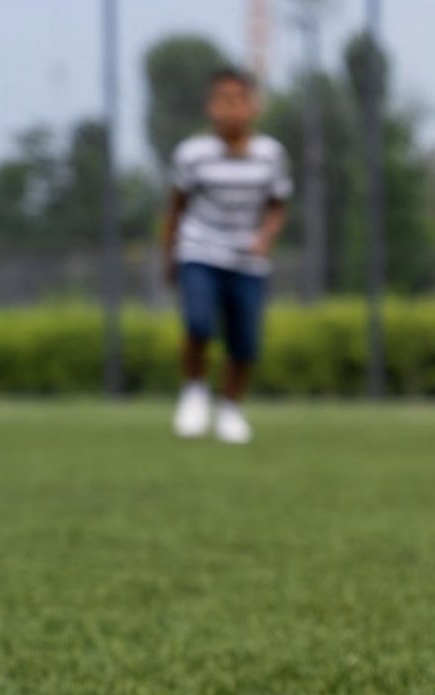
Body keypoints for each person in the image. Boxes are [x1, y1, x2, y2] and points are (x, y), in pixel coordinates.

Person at [163, 67, 291, 445]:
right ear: (209, 107)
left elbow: (277, 206)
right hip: (199, 250)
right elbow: (176, 208)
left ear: (253, 107)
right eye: (220, 100)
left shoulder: (271, 156)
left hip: (248, 258)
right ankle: (194, 391)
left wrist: (266, 237)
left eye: (237, 100)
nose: (228, 109)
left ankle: (231, 408)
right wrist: (169, 255)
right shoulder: (192, 155)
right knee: (198, 324)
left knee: (244, 341)